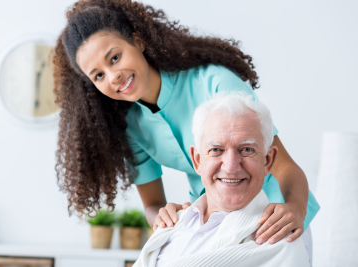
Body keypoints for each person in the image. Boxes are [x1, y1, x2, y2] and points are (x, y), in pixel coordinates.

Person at [52, 0, 319, 250]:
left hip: (275, 220)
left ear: (137, 42)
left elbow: (285, 167)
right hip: (215, 227)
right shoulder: (130, 127)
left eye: (114, 58)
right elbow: (153, 204)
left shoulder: (214, 83)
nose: (113, 76)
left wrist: (295, 208)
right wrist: (165, 215)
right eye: (98, 75)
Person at [133, 92, 310, 267]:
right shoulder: (172, 224)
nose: (231, 166)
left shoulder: (281, 242)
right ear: (197, 160)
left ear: (268, 161)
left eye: (247, 149)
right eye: (216, 150)